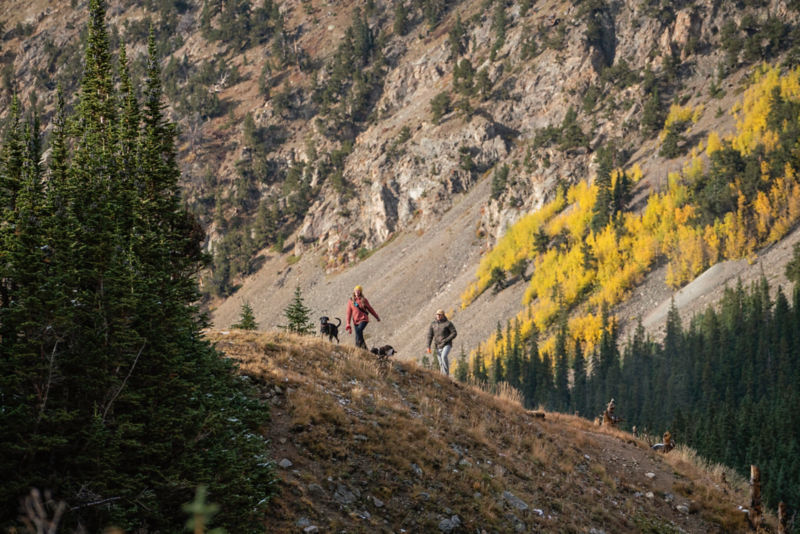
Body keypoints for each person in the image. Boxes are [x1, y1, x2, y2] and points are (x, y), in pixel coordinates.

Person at [426, 309, 457, 375]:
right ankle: (443, 377)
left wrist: (446, 340)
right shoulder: (433, 324)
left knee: (443, 356)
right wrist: (428, 346)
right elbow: (430, 335)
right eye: (437, 314)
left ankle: (446, 375)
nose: (438, 316)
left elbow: (454, 333)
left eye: (440, 315)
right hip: (438, 345)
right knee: (440, 362)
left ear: (443, 315)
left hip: (447, 344)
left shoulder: (448, 323)